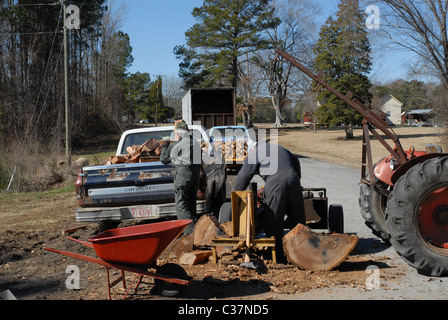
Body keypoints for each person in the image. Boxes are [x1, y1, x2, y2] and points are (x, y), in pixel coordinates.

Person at [233, 141, 305, 263]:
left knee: (274, 219)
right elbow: (296, 162)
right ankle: (302, 253)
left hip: (275, 181)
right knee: (297, 219)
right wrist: (295, 180)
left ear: (252, 149)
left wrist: (236, 195)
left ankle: (276, 255)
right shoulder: (280, 148)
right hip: (293, 178)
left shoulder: (254, 153)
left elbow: (243, 176)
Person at [161, 120, 201, 234]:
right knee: (191, 203)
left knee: (181, 205)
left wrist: (165, 147)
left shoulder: (175, 145)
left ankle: (189, 232)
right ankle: (196, 229)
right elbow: (198, 161)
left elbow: (164, 159)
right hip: (195, 178)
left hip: (183, 178)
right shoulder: (196, 144)